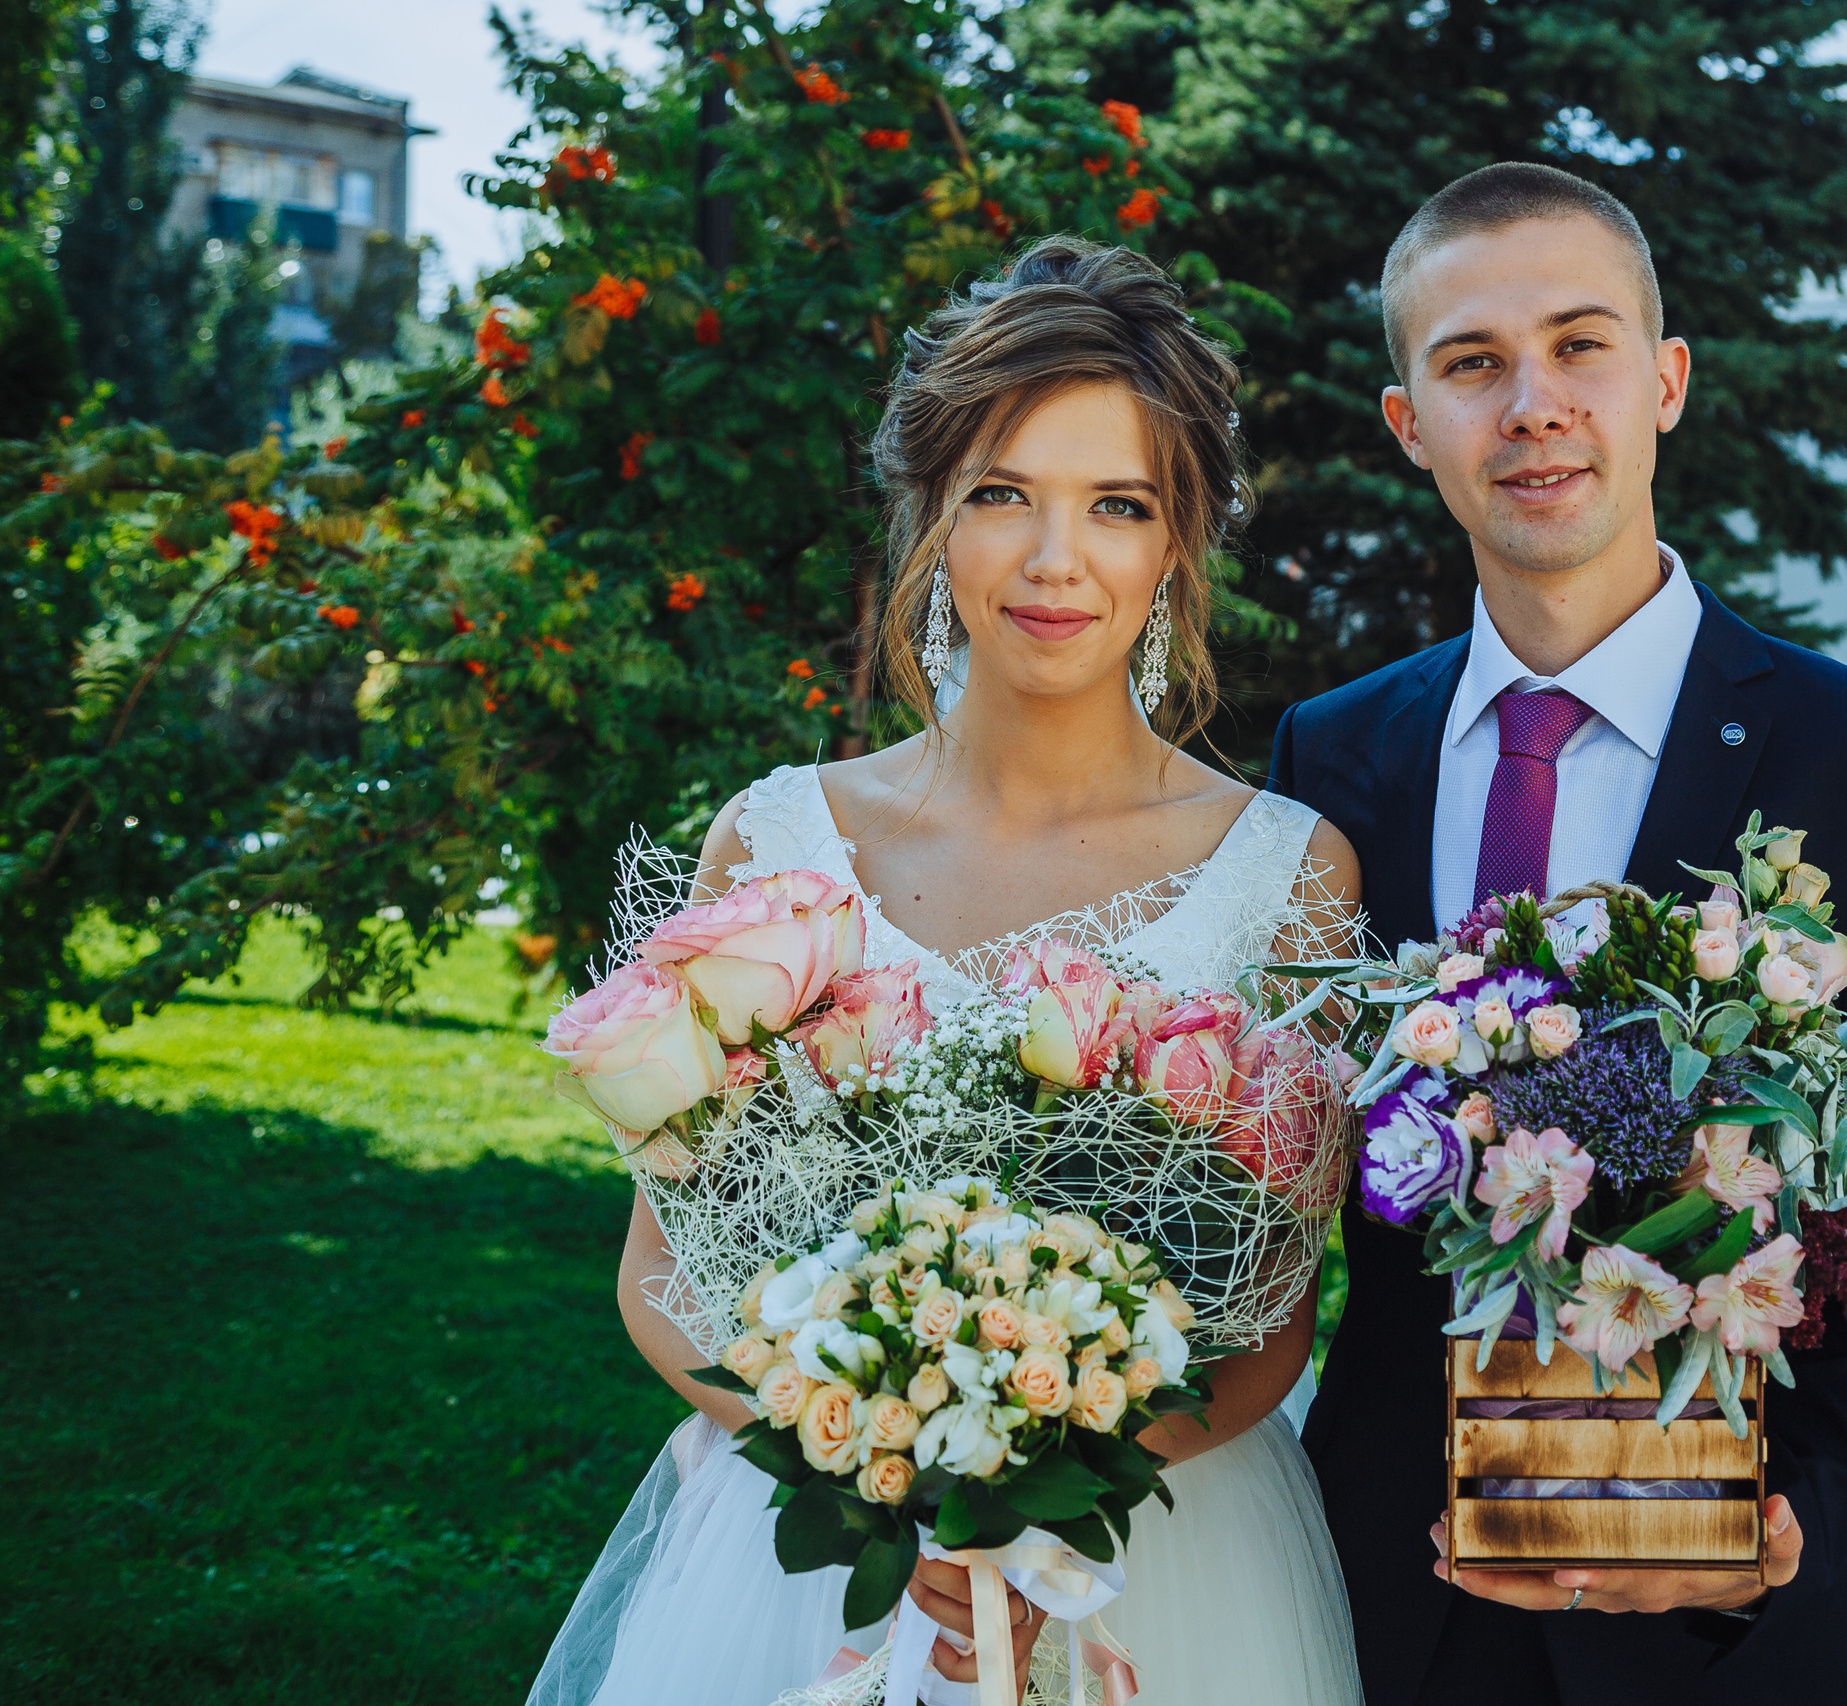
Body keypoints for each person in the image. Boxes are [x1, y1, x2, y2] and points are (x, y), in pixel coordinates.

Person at [527, 238, 1367, 1706]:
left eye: (1118, 504)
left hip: (1157, 1561)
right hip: (816, 1560)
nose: (1055, 560)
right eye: (1000, 494)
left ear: (1177, 544)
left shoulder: (1289, 875)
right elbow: (661, 1271)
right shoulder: (777, 848)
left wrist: (1032, 1504)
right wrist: (879, 1471)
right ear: (930, 514)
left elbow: (1276, 1322)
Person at [1269, 163, 1847, 1705]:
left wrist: (1781, 1527)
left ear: (1663, 382)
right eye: (1472, 362)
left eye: (1578, 345)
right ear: (1410, 424)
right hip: (1395, 1613)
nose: (1532, 403)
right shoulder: (1330, 760)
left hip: (1727, 1631)